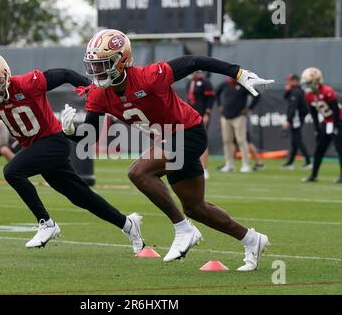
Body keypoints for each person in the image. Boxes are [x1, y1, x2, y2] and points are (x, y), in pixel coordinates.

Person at [63, 29, 273, 271]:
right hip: (169, 141)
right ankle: (252, 240)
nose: (96, 72)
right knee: (196, 208)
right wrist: (71, 132)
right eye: (94, 66)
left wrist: (238, 73)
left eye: (103, 65)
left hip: (189, 133)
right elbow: (88, 137)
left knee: (138, 173)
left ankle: (183, 229)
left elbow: (195, 61)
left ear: (121, 61)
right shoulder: (99, 95)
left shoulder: (149, 76)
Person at [0, 52, 144, 252]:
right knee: (81, 196)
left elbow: (63, 74)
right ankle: (128, 224)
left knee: (12, 171)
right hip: (39, 149)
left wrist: (91, 88)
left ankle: (46, 223)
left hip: (54, 142)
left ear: (4, 78)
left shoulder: (28, 83)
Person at [301, 67, 342, 183]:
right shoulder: (309, 96)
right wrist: (317, 129)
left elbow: (336, 111)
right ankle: (313, 175)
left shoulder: (327, 91)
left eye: (308, 83)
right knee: (319, 149)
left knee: (340, 148)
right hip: (327, 121)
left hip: (339, 120)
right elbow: (313, 114)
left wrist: (336, 127)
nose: (306, 86)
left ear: (316, 82)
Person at [216, 77, 260, 173]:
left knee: (241, 140)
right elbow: (216, 93)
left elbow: (257, 94)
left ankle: (246, 164)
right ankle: (229, 164)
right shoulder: (224, 84)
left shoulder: (243, 84)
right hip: (226, 117)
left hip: (239, 116)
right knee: (227, 141)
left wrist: (249, 108)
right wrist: (219, 105)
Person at [186, 71, 215, 179]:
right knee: (192, 140)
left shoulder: (205, 82)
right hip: (191, 116)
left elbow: (210, 99)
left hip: (202, 115)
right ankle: (194, 168)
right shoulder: (190, 83)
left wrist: (207, 113)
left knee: (202, 141)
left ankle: (204, 168)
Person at [281, 74, 312, 170]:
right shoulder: (293, 90)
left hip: (296, 119)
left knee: (298, 141)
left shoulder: (296, 92)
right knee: (294, 142)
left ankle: (308, 162)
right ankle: (290, 163)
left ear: (295, 81)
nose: (288, 82)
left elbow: (293, 108)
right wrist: (287, 90)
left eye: (290, 81)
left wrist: (288, 121)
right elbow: (285, 97)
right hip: (296, 118)